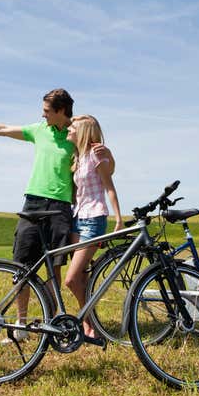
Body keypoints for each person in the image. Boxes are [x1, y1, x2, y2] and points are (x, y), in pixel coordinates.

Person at [0, 89, 111, 341]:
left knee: (54, 272)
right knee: (21, 267)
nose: (42, 115)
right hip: (32, 204)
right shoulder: (39, 131)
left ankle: (52, 323)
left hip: (61, 209)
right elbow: (2, 129)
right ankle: (21, 325)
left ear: (61, 111)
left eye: (47, 111)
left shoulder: (75, 134)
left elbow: (101, 166)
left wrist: (109, 160)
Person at [63, 115, 123, 339]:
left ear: (84, 132)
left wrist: (118, 218)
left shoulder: (97, 155)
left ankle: (88, 321)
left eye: (73, 127)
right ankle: (90, 325)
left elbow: (110, 187)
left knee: (70, 280)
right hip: (77, 219)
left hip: (94, 219)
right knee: (82, 278)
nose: (69, 129)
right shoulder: (77, 157)